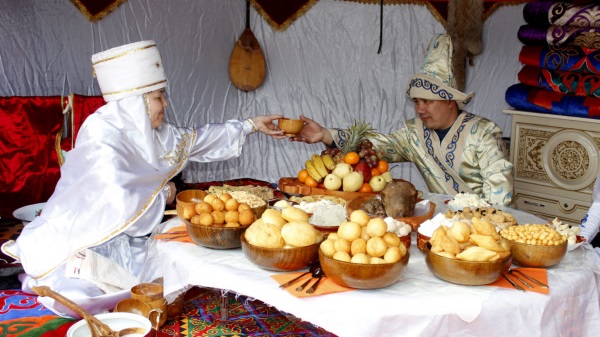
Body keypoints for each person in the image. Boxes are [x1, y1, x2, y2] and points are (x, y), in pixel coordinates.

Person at [1, 40, 285, 316]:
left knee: (174, 259)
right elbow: (116, 199)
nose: (165, 104)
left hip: (123, 236)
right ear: (134, 104)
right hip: (81, 237)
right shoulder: (103, 135)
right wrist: (164, 194)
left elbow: (197, 139)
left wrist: (250, 126)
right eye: (158, 97)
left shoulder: (151, 132)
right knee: (79, 296)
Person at [291, 34, 513, 206]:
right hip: (437, 223)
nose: (419, 109)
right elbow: (376, 147)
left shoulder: (484, 133)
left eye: (427, 101)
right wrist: (326, 135)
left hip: (482, 227)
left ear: (449, 101)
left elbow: (500, 193)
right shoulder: (413, 133)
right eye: (416, 102)